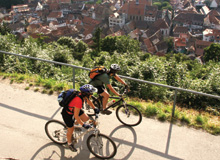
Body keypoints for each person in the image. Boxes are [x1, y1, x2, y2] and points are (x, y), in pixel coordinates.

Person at [61, 84, 99, 152]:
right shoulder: (78, 100)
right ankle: (69, 144)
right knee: (71, 129)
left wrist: (94, 108)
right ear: (87, 94)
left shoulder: (83, 96)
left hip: (75, 109)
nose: (92, 94)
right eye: (91, 93)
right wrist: (83, 125)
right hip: (67, 114)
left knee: (86, 118)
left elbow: (88, 101)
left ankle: (75, 124)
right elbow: (76, 116)